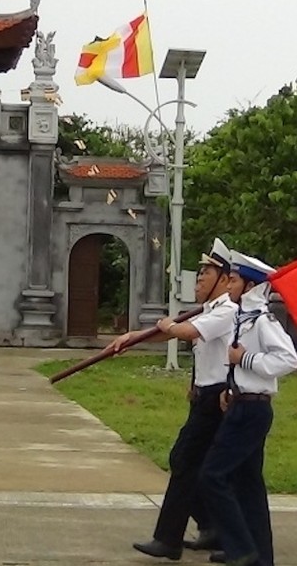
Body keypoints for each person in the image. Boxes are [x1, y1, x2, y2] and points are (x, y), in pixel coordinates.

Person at [108, 238, 237, 561]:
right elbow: (178, 332)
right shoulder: (209, 311)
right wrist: (131, 338)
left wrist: (168, 323)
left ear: (224, 279)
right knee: (196, 465)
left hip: (218, 400)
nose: (199, 279)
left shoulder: (227, 311)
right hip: (204, 397)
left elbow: (185, 332)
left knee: (185, 462)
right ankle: (213, 528)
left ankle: (168, 539)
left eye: (206, 274)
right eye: (199, 273)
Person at [199, 251, 297, 566]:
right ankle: (259, 556)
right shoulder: (244, 318)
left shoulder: (262, 321)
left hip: (252, 411)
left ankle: (241, 549)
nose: (228, 285)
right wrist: (232, 386)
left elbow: (288, 359)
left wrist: (245, 359)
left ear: (250, 286)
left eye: (233, 280)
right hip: (242, 404)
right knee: (248, 485)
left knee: (212, 476)